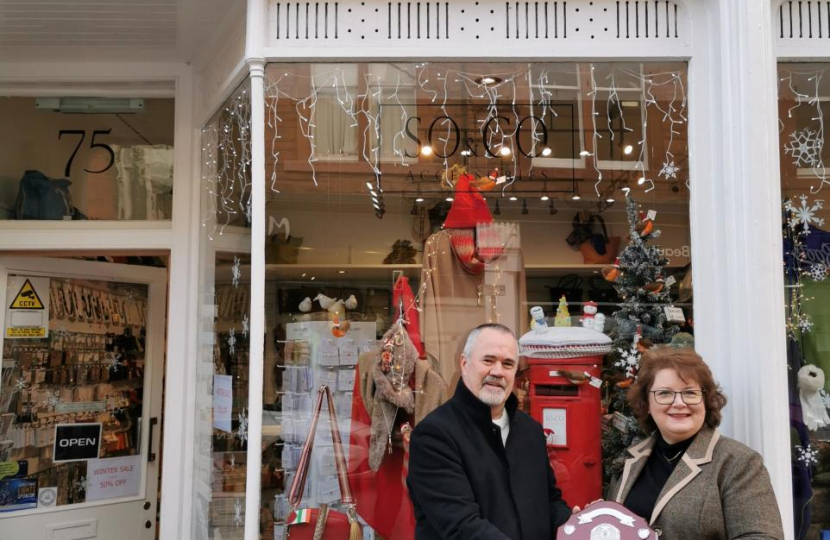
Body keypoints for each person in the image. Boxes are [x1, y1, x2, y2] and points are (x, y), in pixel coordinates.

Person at [407, 323, 572, 540]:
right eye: (488, 360)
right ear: (464, 363)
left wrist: (575, 524)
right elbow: (462, 526)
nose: (497, 372)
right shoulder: (434, 436)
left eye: (508, 364)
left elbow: (549, 501)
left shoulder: (530, 431)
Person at [612, 346, 784, 539]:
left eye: (690, 393)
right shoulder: (630, 460)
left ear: (706, 400)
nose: (678, 403)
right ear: (647, 404)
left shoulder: (738, 462)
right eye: (664, 393)